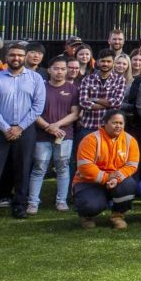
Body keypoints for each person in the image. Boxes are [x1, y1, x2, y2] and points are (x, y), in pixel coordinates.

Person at [0, 42, 44, 221]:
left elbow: (38, 107)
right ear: (6, 57)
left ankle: (20, 205)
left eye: (20, 55)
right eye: (13, 55)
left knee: (23, 168)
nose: (16, 58)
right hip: (0, 130)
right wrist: (7, 128)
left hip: (26, 129)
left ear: (25, 57)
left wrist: (19, 127)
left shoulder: (35, 79)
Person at [24, 57, 80, 215]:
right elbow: (33, 112)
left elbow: (75, 113)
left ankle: (61, 201)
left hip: (64, 135)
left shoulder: (73, 88)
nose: (60, 72)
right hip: (42, 135)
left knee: (62, 168)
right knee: (39, 168)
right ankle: (33, 202)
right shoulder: (40, 87)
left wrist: (57, 125)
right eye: (56, 68)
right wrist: (48, 127)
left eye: (63, 69)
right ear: (49, 70)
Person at [72, 112, 141, 230]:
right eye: (114, 123)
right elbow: (85, 166)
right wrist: (107, 178)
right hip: (89, 182)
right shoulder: (91, 139)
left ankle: (117, 216)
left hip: (116, 180)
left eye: (121, 123)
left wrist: (116, 178)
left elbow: (131, 165)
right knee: (91, 205)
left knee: (129, 185)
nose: (118, 126)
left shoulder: (130, 140)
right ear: (105, 123)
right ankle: (87, 216)